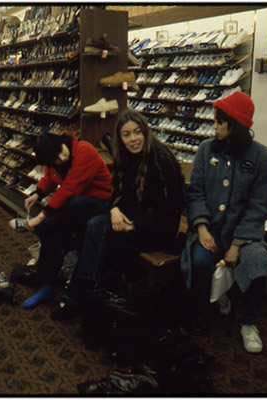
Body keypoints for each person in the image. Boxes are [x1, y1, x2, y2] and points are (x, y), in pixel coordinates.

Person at [52, 109, 186, 320]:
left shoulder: (162, 161)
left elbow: (169, 212)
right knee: (95, 225)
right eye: (126, 135)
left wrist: (135, 225)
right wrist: (114, 210)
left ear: (145, 132)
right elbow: (118, 194)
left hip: (159, 229)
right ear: (120, 138)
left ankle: (79, 294)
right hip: (136, 217)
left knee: (100, 233)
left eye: (137, 132)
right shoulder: (126, 158)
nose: (133, 139)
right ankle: (87, 293)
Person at [180, 91, 267, 354]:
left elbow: (259, 207)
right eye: (215, 121)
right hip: (209, 228)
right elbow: (195, 191)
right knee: (199, 260)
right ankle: (205, 308)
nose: (215, 126)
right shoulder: (205, 150)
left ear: (236, 125)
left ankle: (248, 322)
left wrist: (238, 244)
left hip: (244, 233)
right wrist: (200, 227)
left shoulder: (263, 159)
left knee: (258, 263)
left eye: (221, 122)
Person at [10, 132, 112, 309]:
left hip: (100, 203)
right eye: (55, 159)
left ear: (61, 142)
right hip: (75, 208)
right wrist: (38, 193)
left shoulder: (84, 151)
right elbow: (50, 177)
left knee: (68, 207)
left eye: (60, 151)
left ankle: (45, 227)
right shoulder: (54, 160)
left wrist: (41, 217)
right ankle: (46, 285)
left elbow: (69, 189)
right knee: (54, 231)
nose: (61, 157)